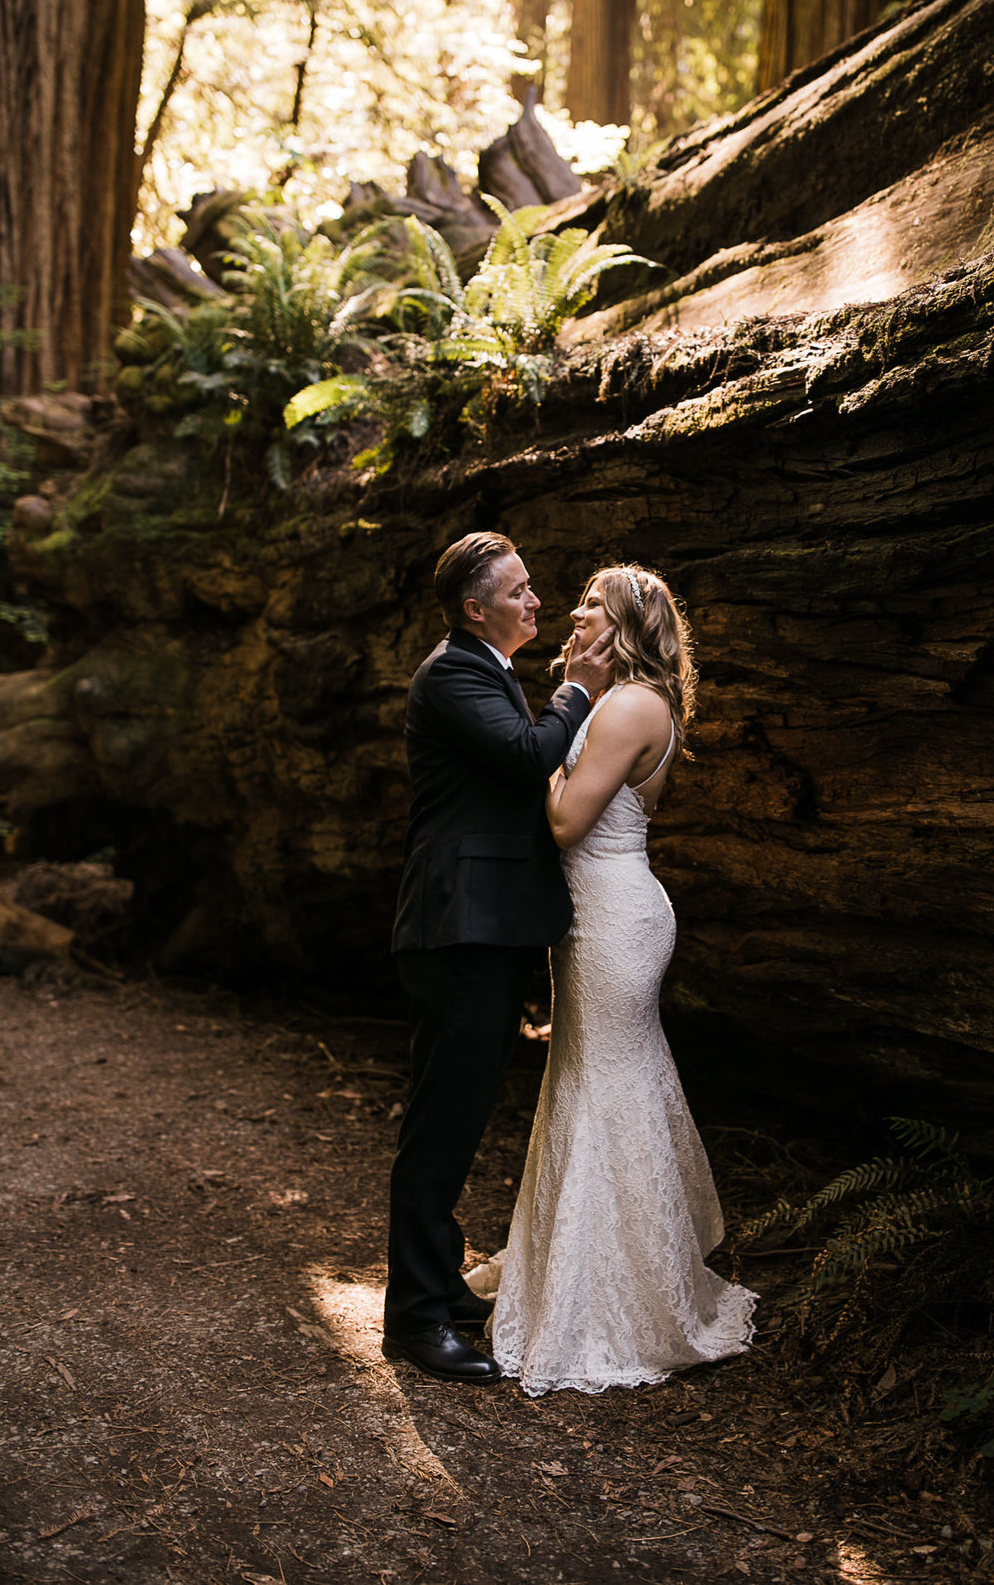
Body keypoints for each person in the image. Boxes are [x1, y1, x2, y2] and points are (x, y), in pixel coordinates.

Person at [462, 564, 755, 1394]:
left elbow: (561, 820)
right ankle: (581, 1264)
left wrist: (554, 727)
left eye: (590, 604)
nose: (572, 613)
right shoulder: (628, 699)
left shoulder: (627, 704)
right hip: (597, 915)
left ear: (624, 624)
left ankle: (623, 1298)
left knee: (605, 1086)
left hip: (613, 917)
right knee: (585, 1081)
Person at [383, 532, 610, 1384]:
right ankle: (413, 1319)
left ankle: (441, 1284)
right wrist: (579, 691)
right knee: (440, 1127)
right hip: (458, 929)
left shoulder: (485, 668)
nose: (536, 601)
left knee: (458, 1116)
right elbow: (526, 759)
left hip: (487, 927)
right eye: (518, 590)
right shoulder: (453, 671)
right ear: (477, 607)